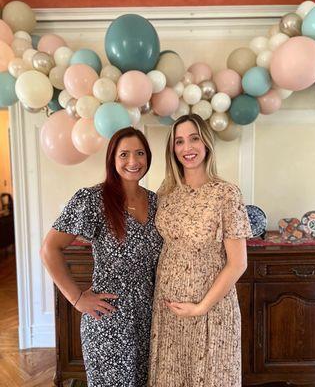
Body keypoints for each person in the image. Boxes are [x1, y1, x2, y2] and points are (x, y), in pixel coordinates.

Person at [40, 127, 163, 387]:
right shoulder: (92, 199)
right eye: (124, 154)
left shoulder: (156, 203)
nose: (133, 161)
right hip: (109, 320)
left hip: (149, 319)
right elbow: (49, 249)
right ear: (112, 159)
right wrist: (76, 297)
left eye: (140, 153)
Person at [148, 114, 252, 387]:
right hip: (168, 308)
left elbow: (238, 263)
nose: (187, 148)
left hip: (211, 310)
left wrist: (200, 307)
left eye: (194, 138)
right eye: (179, 141)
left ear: (206, 142)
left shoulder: (226, 194)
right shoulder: (165, 193)